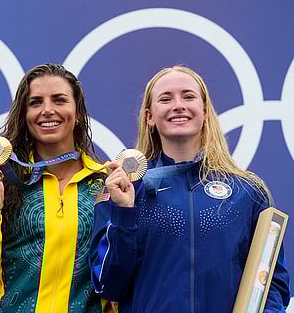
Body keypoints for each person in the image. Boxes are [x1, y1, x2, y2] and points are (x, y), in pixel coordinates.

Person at [89, 66, 291, 312]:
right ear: (149, 117)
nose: (178, 105)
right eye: (165, 99)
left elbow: (271, 283)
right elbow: (108, 286)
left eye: (188, 96)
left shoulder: (247, 192)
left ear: (205, 112)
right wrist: (124, 213)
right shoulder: (123, 189)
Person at [0, 63, 115, 312]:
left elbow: (116, 281)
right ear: (24, 115)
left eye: (59, 100)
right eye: (35, 102)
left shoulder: (106, 185)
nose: (47, 110)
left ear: (78, 114)